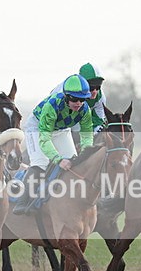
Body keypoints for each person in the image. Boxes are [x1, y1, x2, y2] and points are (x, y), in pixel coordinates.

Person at [12, 74, 93, 215]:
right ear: (66, 96)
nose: (78, 103)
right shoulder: (53, 105)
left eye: (82, 99)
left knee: (74, 162)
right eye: (74, 99)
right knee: (40, 162)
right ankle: (22, 201)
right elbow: (44, 139)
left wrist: (86, 154)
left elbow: (87, 136)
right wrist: (58, 159)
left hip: (61, 130)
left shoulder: (85, 110)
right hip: (38, 129)